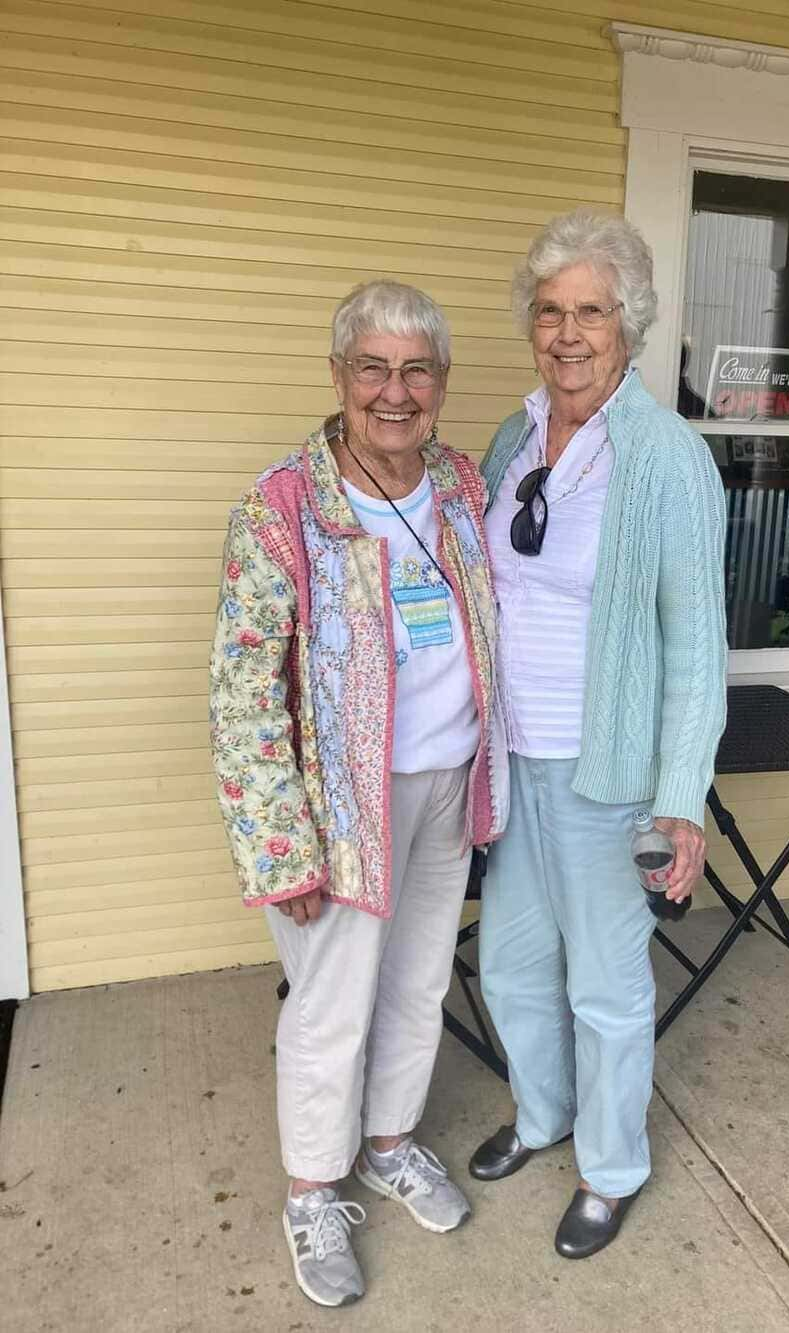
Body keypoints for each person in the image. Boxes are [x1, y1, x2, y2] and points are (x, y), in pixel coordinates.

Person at [209, 280, 507, 1308]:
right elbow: (243, 688)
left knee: (420, 978)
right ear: (338, 377)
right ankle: (311, 1188)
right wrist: (277, 843)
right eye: (372, 367)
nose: (395, 391)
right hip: (338, 808)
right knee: (331, 1003)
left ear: (440, 383)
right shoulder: (283, 507)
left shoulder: (465, 488)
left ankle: (388, 1140)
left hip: (446, 780)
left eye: (416, 369)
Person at [470, 210, 727, 1259]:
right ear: (530, 325)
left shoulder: (664, 458)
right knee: (511, 966)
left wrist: (679, 795)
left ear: (628, 323)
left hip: (604, 770)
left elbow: (697, 644)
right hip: (512, 758)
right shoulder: (513, 434)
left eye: (590, 311)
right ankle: (544, 1114)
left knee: (607, 985)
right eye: (549, 310)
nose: (567, 332)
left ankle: (610, 1168)